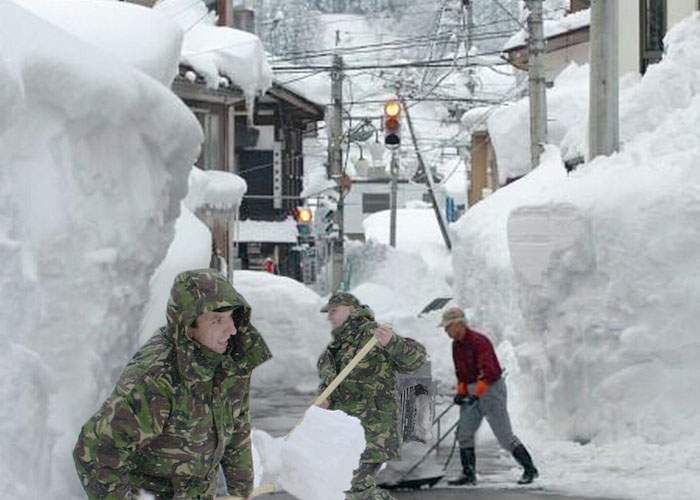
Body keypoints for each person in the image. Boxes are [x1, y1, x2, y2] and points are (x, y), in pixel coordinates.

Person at [73, 269, 272, 499]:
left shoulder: (230, 362)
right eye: (217, 320)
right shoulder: (155, 379)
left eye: (231, 317)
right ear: (188, 326)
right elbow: (94, 453)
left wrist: (241, 494)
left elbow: (236, 434)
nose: (231, 329)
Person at [317, 292, 427, 500]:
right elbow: (331, 384)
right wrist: (324, 398)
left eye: (334, 311)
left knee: (351, 489)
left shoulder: (372, 335)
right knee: (350, 490)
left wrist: (392, 343)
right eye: (328, 312)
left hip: (372, 431)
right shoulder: (337, 346)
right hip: (345, 434)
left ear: (350, 310)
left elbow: (416, 359)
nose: (329, 317)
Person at [439, 307, 538, 486]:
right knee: (464, 433)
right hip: (472, 390)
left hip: (491, 389)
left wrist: (476, 394)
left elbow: (489, 372)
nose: (446, 332)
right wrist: (462, 393)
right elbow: (461, 373)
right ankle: (468, 474)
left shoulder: (479, 342)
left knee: (504, 436)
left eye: (447, 328)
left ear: (458, 324)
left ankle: (529, 469)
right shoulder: (456, 346)